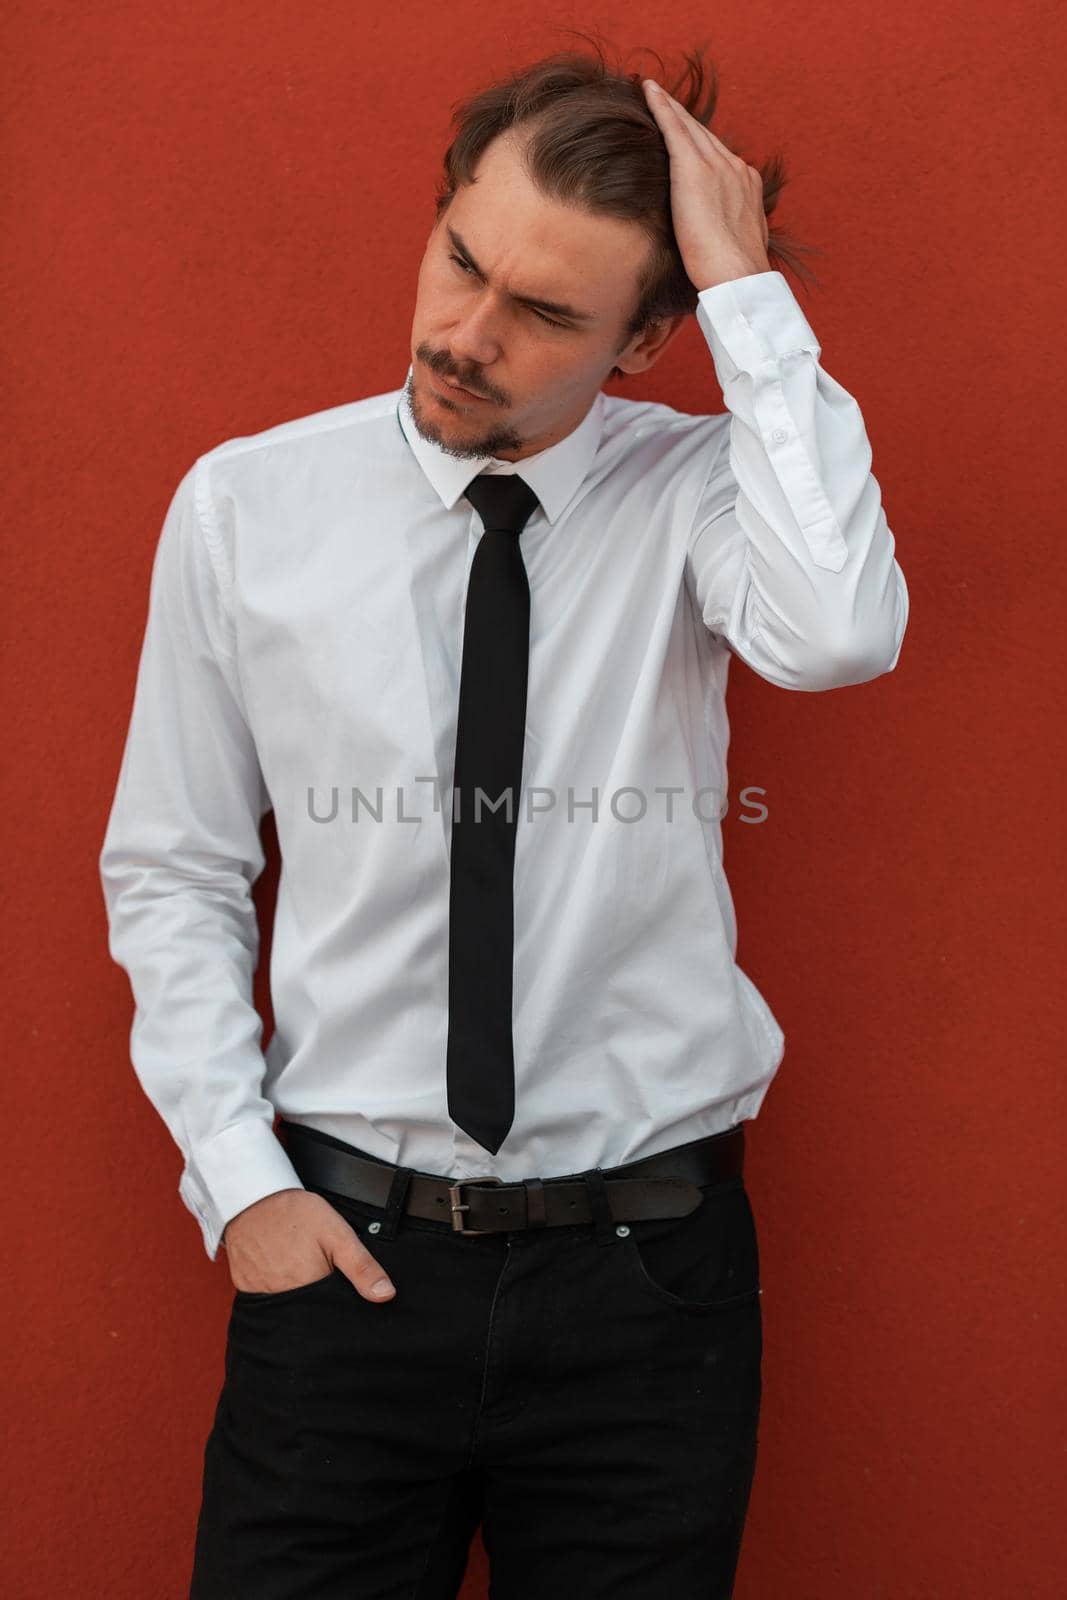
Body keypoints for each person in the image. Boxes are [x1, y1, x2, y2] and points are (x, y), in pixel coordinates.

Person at [98, 38, 908, 1600]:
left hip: (646, 1289)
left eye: (546, 316)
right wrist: (238, 1179)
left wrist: (747, 291)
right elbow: (177, 863)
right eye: (462, 260)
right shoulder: (246, 508)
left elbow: (839, 629)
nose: (466, 337)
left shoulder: (703, 497)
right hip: (346, 1271)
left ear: (650, 339)